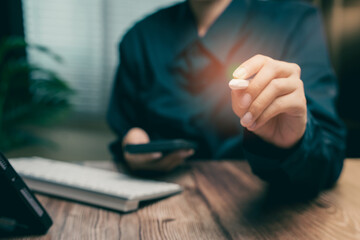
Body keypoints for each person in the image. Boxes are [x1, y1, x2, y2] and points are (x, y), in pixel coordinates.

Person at [107, 0, 346, 196]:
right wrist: (132, 147)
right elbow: (126, 131)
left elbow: (328, 158)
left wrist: (292, 143)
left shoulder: (296, 24)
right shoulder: (138, 40)